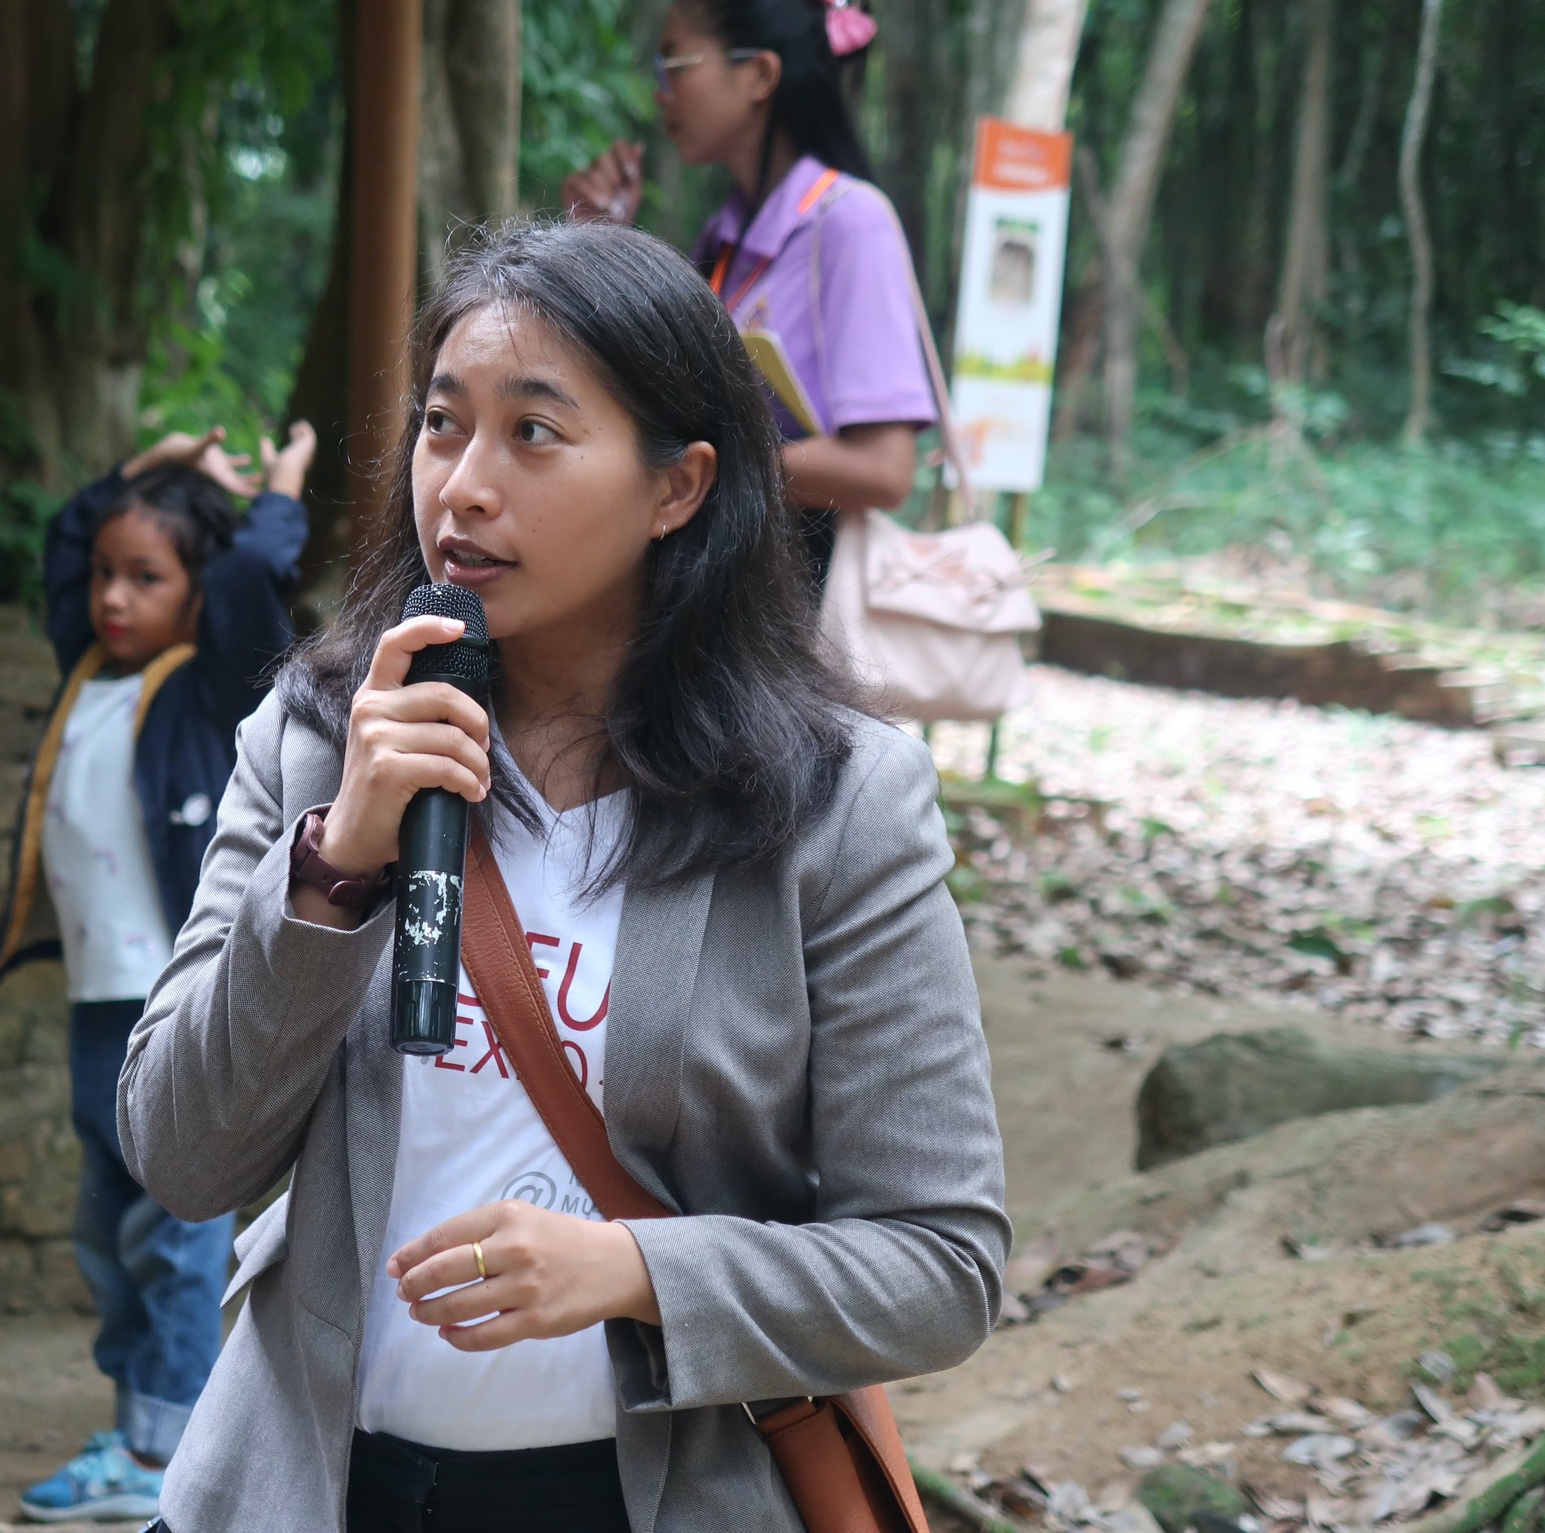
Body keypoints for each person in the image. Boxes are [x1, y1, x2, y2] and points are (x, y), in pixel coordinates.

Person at [117, 220, 1007, 1533]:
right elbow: (181, 1157)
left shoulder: (833, 803)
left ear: (676, 487)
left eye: (533, 433)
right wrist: (334, 869)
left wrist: (638, 1270)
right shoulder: (317, 738)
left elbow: (940, 1266)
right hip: (308, 1488)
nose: (463, 488)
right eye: (442, 425)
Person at [0, 420, 316, 1524]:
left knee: (176, 1231)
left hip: (175, 1002)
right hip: (96, 1000)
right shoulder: (85, 670)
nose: (112, 597)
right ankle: (141, 1421)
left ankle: (162, 1446)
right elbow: (62, 539)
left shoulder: (208, 689)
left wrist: (278, 488)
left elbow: (254, 572)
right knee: (106, 1228)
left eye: (146, 578)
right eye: (105, 576)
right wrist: (148, 471)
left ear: (195, 594)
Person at [562, 0, 972, 596]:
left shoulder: (850, 223)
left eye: (674, 64)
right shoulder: (723, 235)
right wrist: (603, 243)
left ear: (759, 74)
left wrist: (704, 471)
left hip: (805, 604)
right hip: (731, 593)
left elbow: (883, 470)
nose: (661, 92)